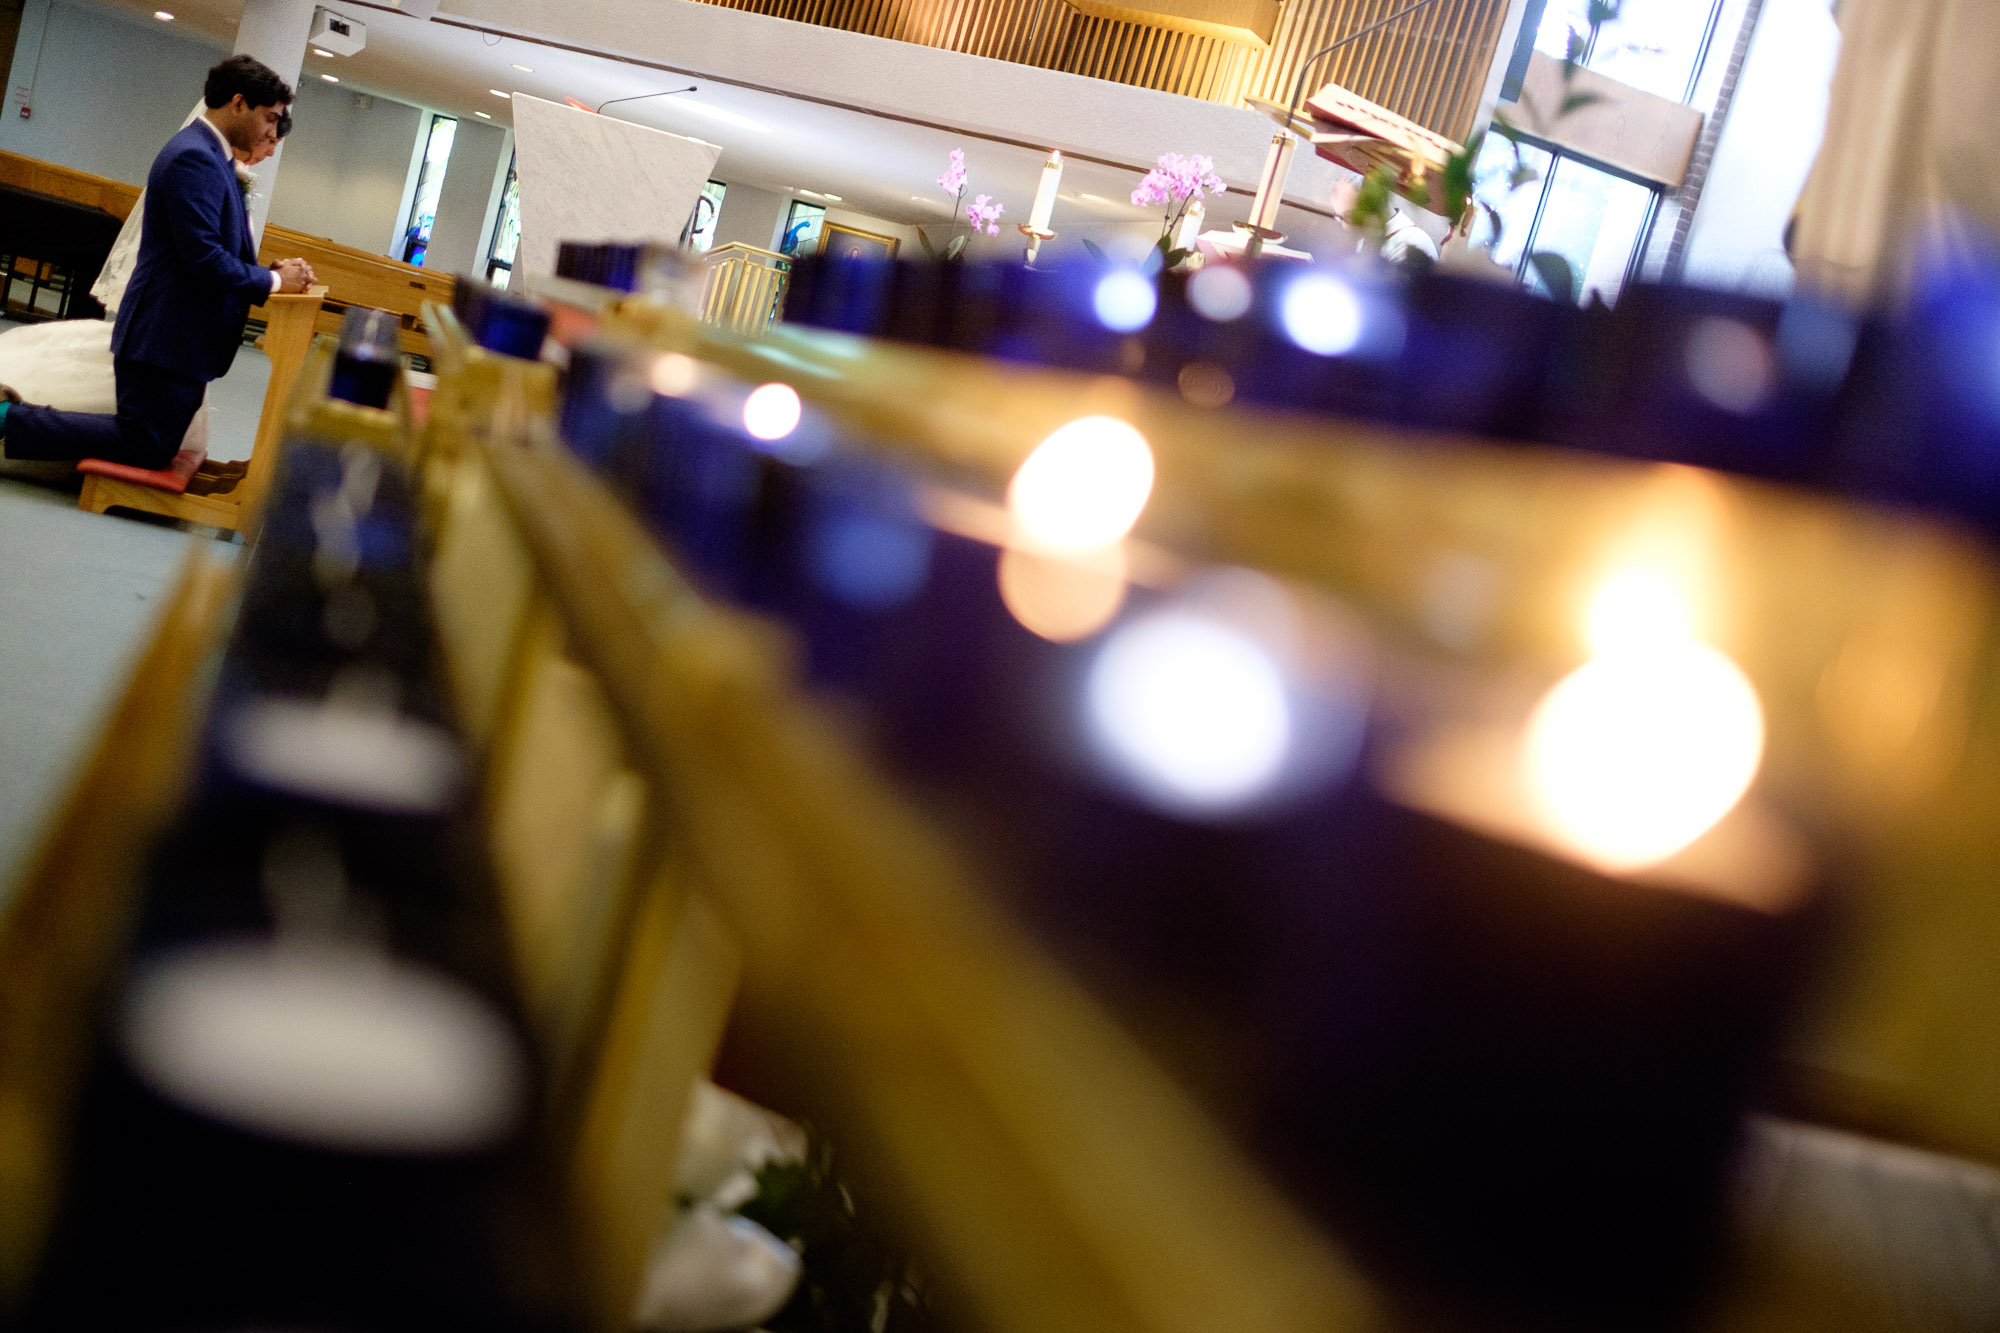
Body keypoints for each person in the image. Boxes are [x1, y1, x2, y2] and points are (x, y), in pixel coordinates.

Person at [0, 55, 316, 470]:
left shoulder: (213, 156)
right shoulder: (194, 156)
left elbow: (217, 244)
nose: (272, 132)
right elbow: (202, 257)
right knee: (145, 440)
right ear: (238, 103)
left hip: (179, 333)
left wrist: (270, 272)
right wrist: (273, 284)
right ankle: (7, 417)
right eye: (270, 119)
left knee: (152, 440)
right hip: (166, 331)